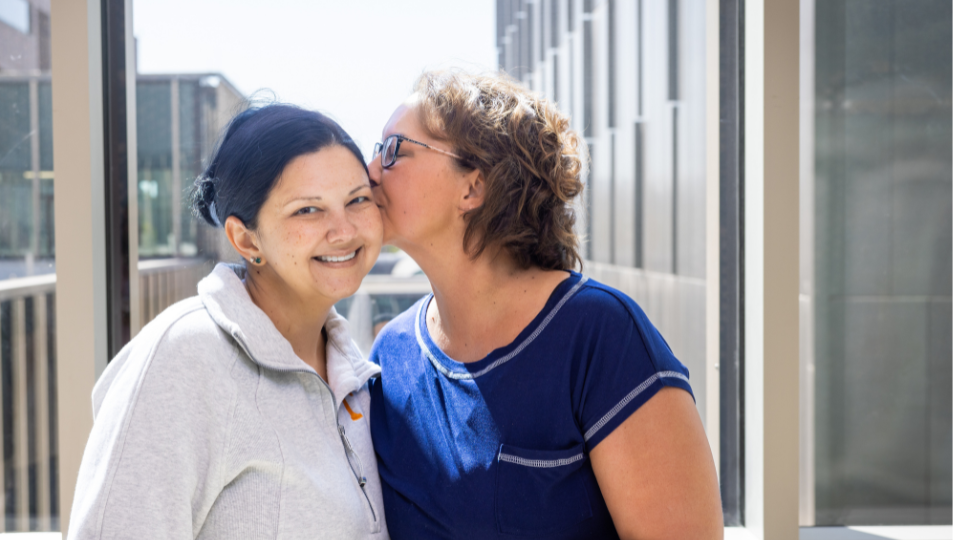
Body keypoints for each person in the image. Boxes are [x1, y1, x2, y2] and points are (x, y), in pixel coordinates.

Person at [367, 71, 723, 539]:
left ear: (473, 187)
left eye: (394, 151)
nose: (370, 170)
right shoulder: (389, 357)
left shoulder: (598, 335)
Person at [68, 104, 389, 539]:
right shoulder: (184, 357)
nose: (344, 230)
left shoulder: (356, 376)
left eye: (357, 200)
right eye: (307, 210)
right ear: (245, 238)